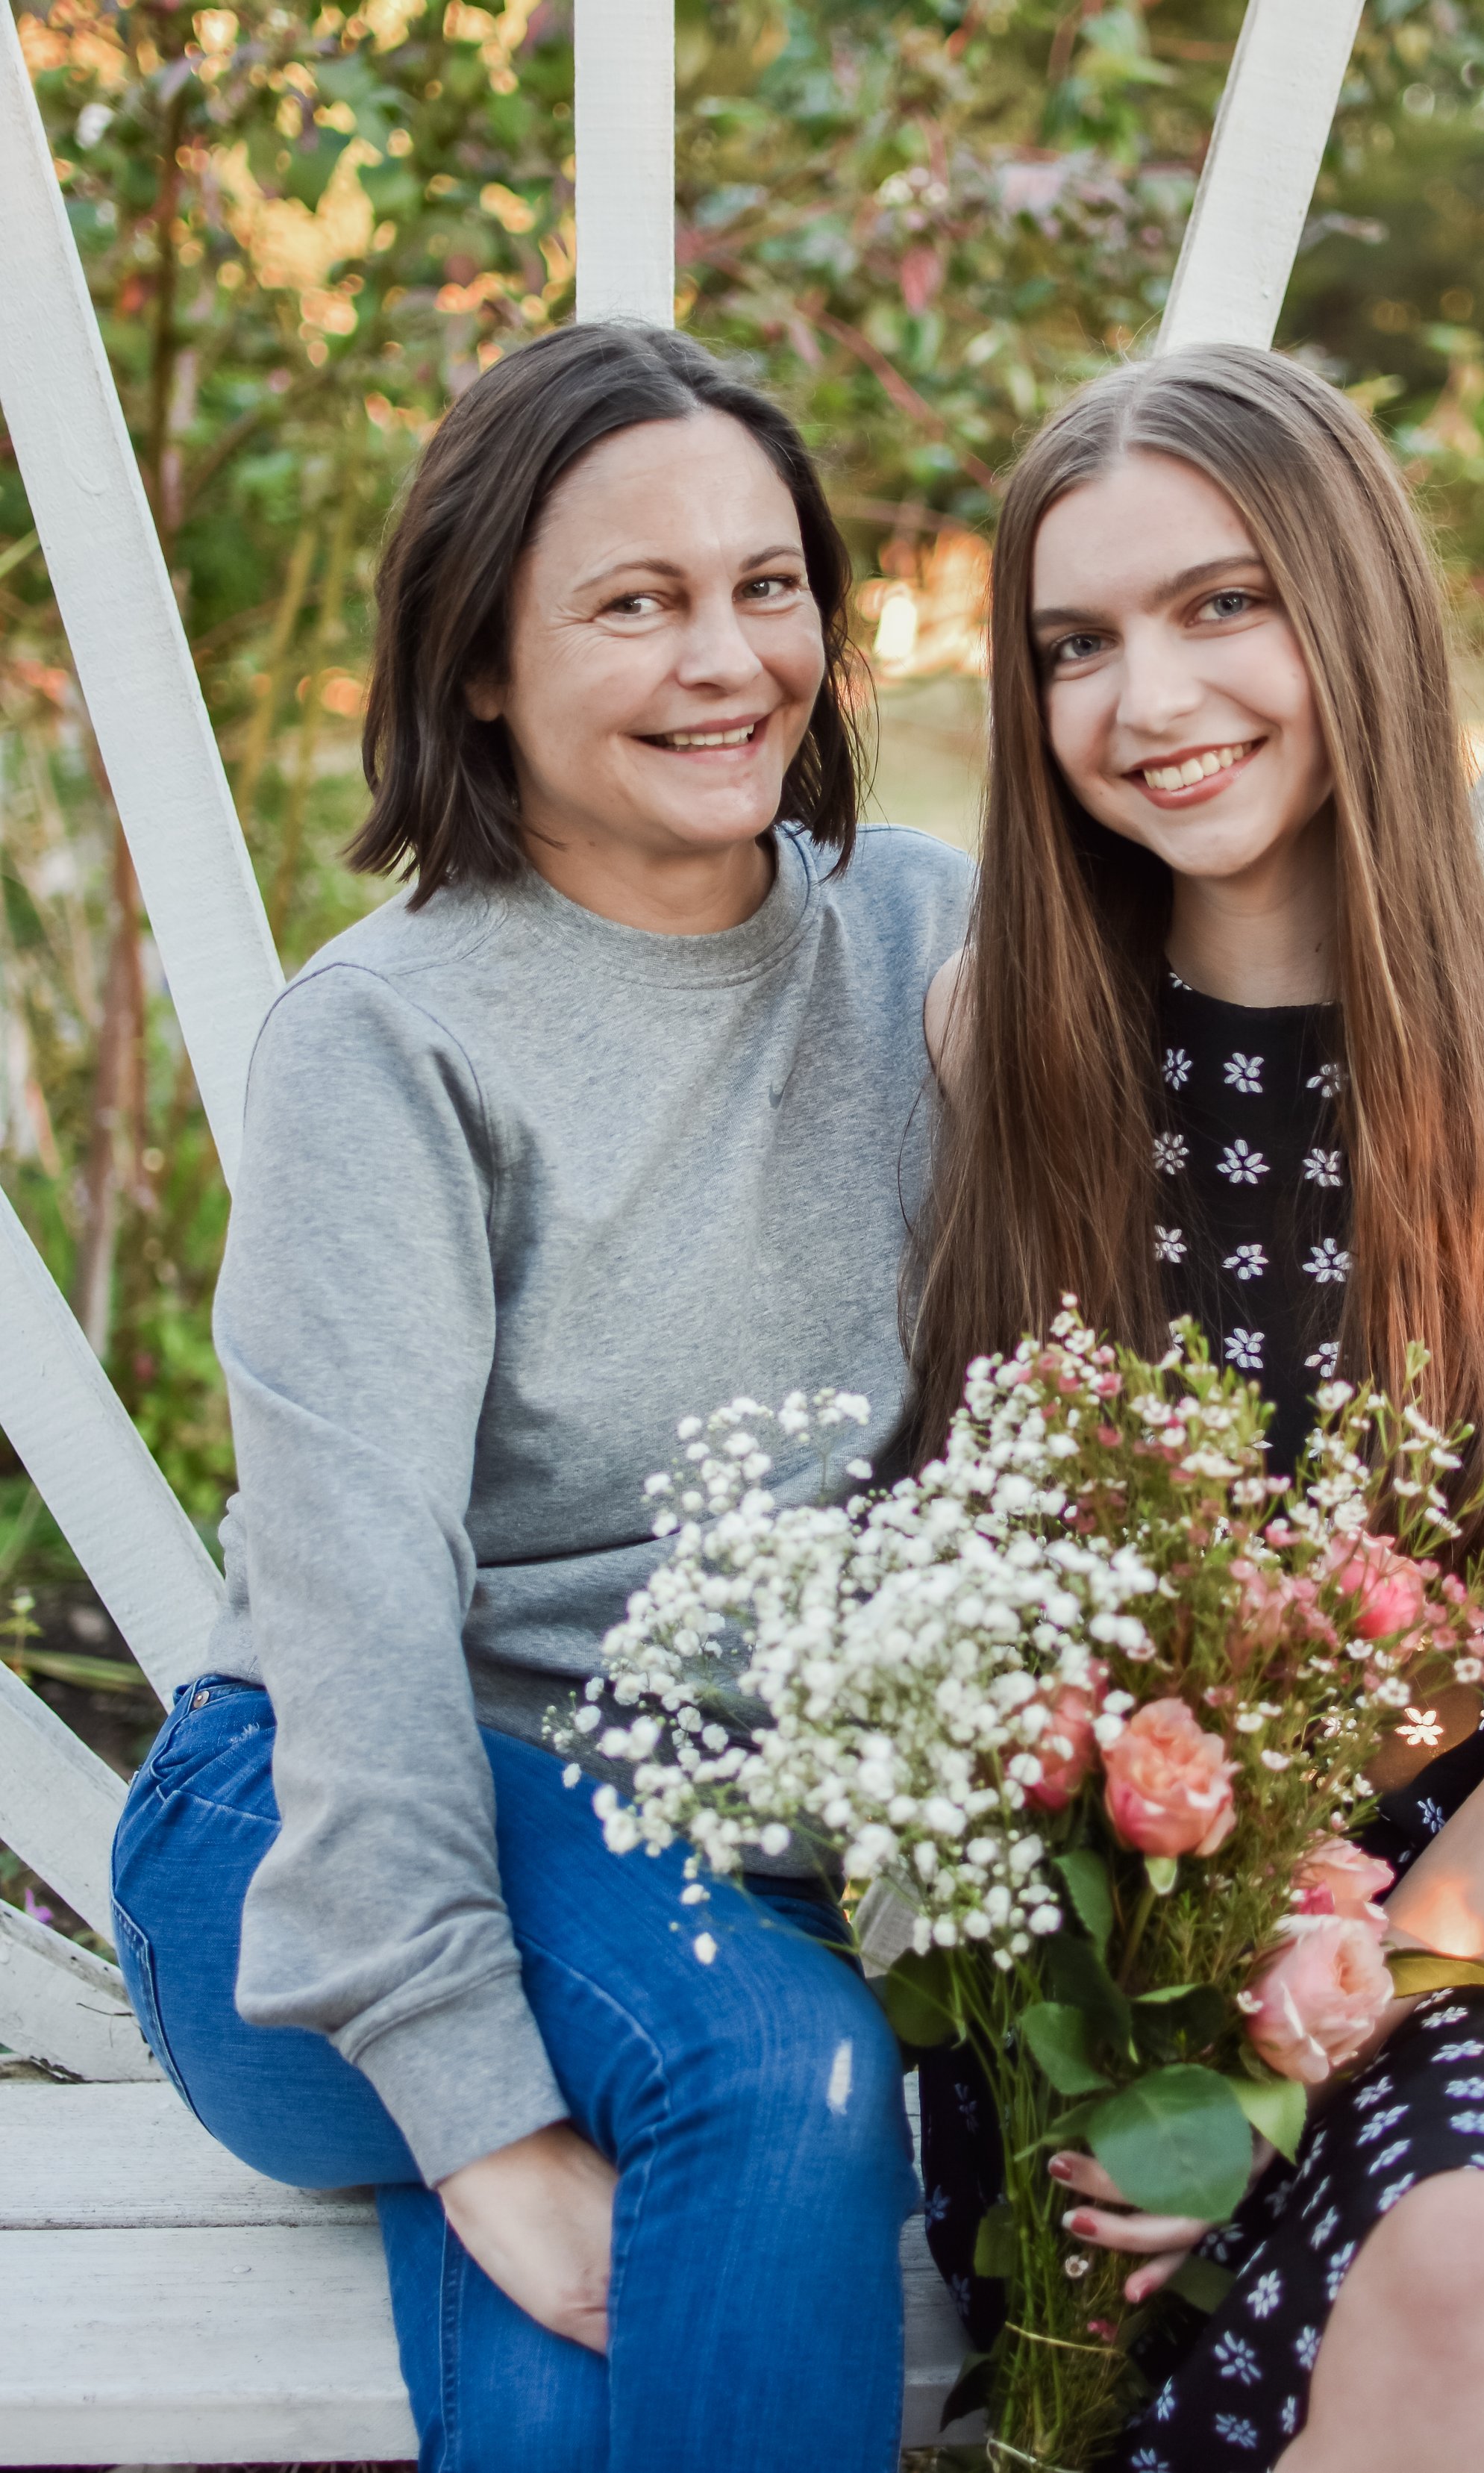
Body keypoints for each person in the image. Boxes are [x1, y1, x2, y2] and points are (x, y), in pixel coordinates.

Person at [911, 343, 1484, 2473]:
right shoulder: (1007, 1035)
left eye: (1220, 604)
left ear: (1352, 604)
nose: (1147, 700)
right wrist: (1163, 2019)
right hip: (1126, 1932)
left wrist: (1299, 2036)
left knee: (1462, 2247)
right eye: (1076, 643)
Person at [110, 320, 971, 2473]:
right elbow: (358, 1597)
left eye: (767, 587)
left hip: (693, 1892)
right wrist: (477, 2111)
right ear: (480, 664)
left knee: (676, 2184)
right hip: (313, 1843)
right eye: (635, 601)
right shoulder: (393, 1039)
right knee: (777, 2074)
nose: (727, 658)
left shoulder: (924, 938)